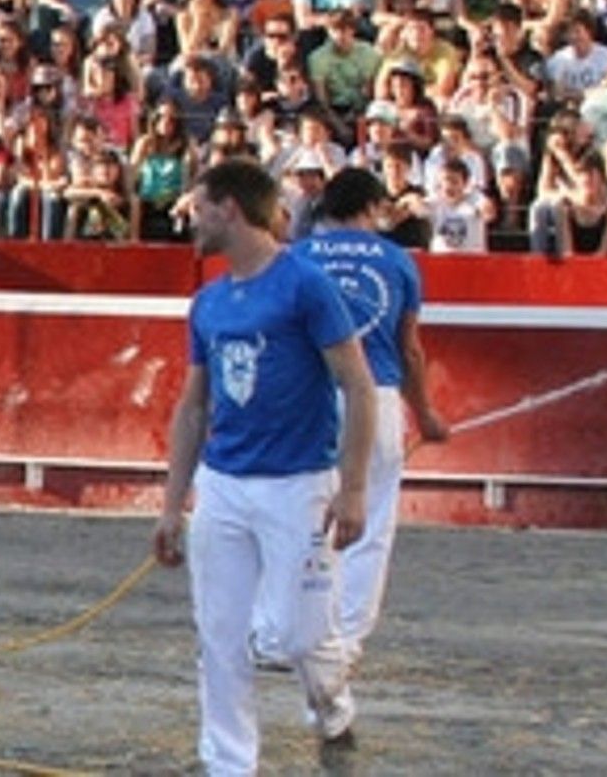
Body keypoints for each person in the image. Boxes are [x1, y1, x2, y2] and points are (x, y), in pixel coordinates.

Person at [149, 160, 388, 777]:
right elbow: (193, 406)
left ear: (230, 209)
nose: (190, 220)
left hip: (299, 483)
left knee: (302, 636)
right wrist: (173, 504)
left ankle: (332, 709)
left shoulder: (305, 285)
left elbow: (358, 386)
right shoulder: (207, 303)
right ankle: (228, 763)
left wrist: (354, 488)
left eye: (198, 207)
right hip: (224, 483)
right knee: (220, 634)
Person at [291, 168, 451, 725]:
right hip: (376, 396)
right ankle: (342, 651)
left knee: (309, 523)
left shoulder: (299, 257)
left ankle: (311, 645)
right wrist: (426, 412)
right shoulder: (397, 260)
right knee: (369, 527)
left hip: (307, 401)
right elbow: (409, 350)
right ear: (372, 206)